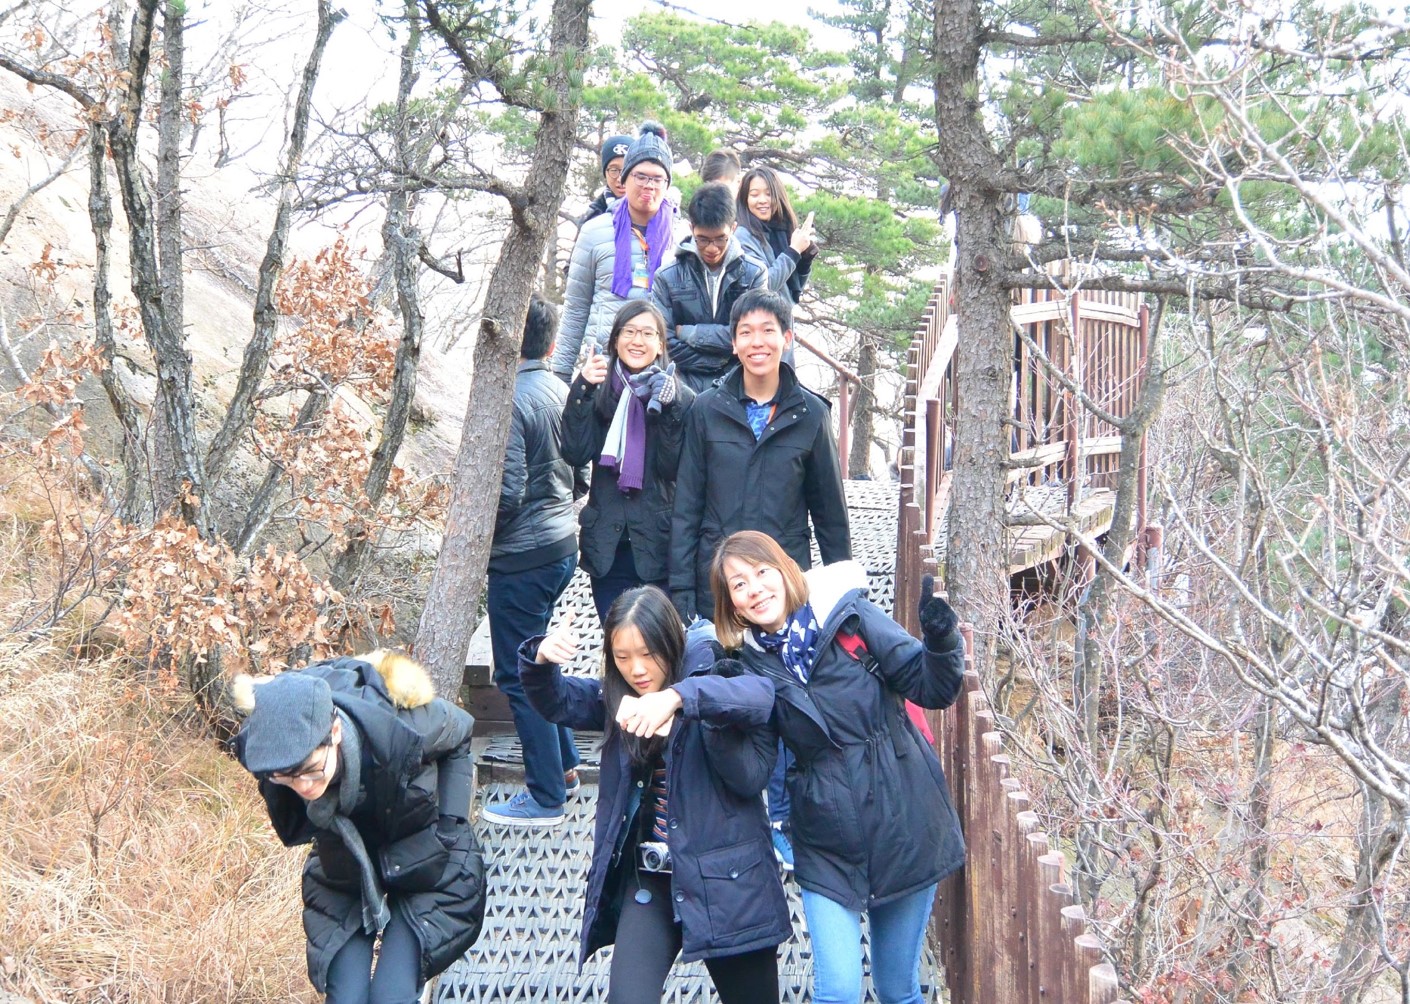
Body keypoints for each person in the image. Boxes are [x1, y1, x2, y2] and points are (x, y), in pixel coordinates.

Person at [710, 531, 967, 1004]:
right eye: (739, 584)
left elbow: (932, 688)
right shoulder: (751, 666)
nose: (755, 589)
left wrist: (941, 639)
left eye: (762, 573)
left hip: (904, 822)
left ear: (785, 570)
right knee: (839, 993)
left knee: (897, 989)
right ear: (732, 605)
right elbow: (751, 773)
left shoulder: (849, 617)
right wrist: (723, 714)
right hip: (825, 839)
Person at [520, 587, 791, 1004]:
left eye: (648, 654)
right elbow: (560, 701)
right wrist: (541, 661)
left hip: (727, 880)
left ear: (671, 642)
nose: (637, 669)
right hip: (651, 878)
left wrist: (678, 699)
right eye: (622, 657)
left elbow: (758, 697)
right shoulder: (621, 699)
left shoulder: (709, 666)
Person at [233, 651, 486, 1003]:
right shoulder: (269, 751)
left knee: (391, 996)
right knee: (346, 998)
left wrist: (451, 823)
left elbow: (462, 730)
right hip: (345, 865)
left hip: (429, 855)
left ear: (335, 732)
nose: (304, 787)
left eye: (312, 770)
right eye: (288, 778)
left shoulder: (401, 730)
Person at [668, 286, 850, 624]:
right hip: (720, 583)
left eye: (768, 330)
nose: (757, 342)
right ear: (733, 343)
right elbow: (687, 506)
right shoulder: (706, 410)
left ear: (787, 338)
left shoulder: (811, 415)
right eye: (746, 332)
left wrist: (844, 592)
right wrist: (681, 588)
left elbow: (830, 515)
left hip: (784, 580)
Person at [482, 294, 583, 826]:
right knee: (540, 660)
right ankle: (564, 766)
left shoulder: (511, 398)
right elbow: (581, 472)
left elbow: (508, 492)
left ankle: (545, 796)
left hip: (523, 556)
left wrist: (479, 541)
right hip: (562, 545)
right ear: (550, 342)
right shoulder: (559, 390)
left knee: (519, 675)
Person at [562, 301, 696, 625]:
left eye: (647, 333)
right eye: (629, 332)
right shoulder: (597, 390)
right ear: (615, 340)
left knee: (659, 643)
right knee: (616, 641)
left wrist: (670, 408)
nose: (637, 341)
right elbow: (576, 453)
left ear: (660, 344)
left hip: (657, 549)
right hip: (607, 549)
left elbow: (672, 468)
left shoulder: (681, 397)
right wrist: (581, 389)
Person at [554, 122, 679, 381]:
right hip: (604, 369)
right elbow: (576, 307)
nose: (649, 185)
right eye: (640, 176)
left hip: (662, 375)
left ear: (667, 184)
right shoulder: (594, 232)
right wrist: (561, 374)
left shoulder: (682, 239)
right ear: (625, 178)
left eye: (657, 178)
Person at [651, 181, 766, 393]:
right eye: (702, 240)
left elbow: (753, 336)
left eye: (720, 239)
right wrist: (719, 358)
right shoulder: (666, 277)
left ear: (733, 228)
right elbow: (663, 341)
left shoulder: (754, 274)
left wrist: (690, 333)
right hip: (681, 384)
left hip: (737, 384)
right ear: (691, 229)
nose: (712, 248)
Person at [735, 165, 818, 304]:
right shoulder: (743, 236)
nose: (762, 200)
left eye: (769, 194)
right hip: (762, 316)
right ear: (745, 199)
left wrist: (805, 259)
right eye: (754, 195)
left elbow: (792, 291)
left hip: (784, 315)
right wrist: (793, 251)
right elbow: (762, 288)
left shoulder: (781, 230)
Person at [581, 133, 633, 225]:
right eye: (614, 170)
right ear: (605, 173)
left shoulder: (654, 211)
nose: (621, 179)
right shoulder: (592, 217)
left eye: (627, 170)